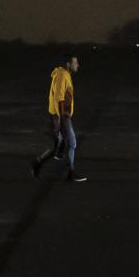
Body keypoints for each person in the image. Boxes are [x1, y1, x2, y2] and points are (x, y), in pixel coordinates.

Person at [31, 55, 86, 183]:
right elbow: (59, 98)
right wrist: (61, 120)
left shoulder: (65, 74)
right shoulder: (62, 75)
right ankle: (70, 173)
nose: (77, 65)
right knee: (71, 143)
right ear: (68, 64)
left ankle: (37, 163)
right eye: (75, 62)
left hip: (61, 115)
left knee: (58, 147)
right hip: (61, 116)